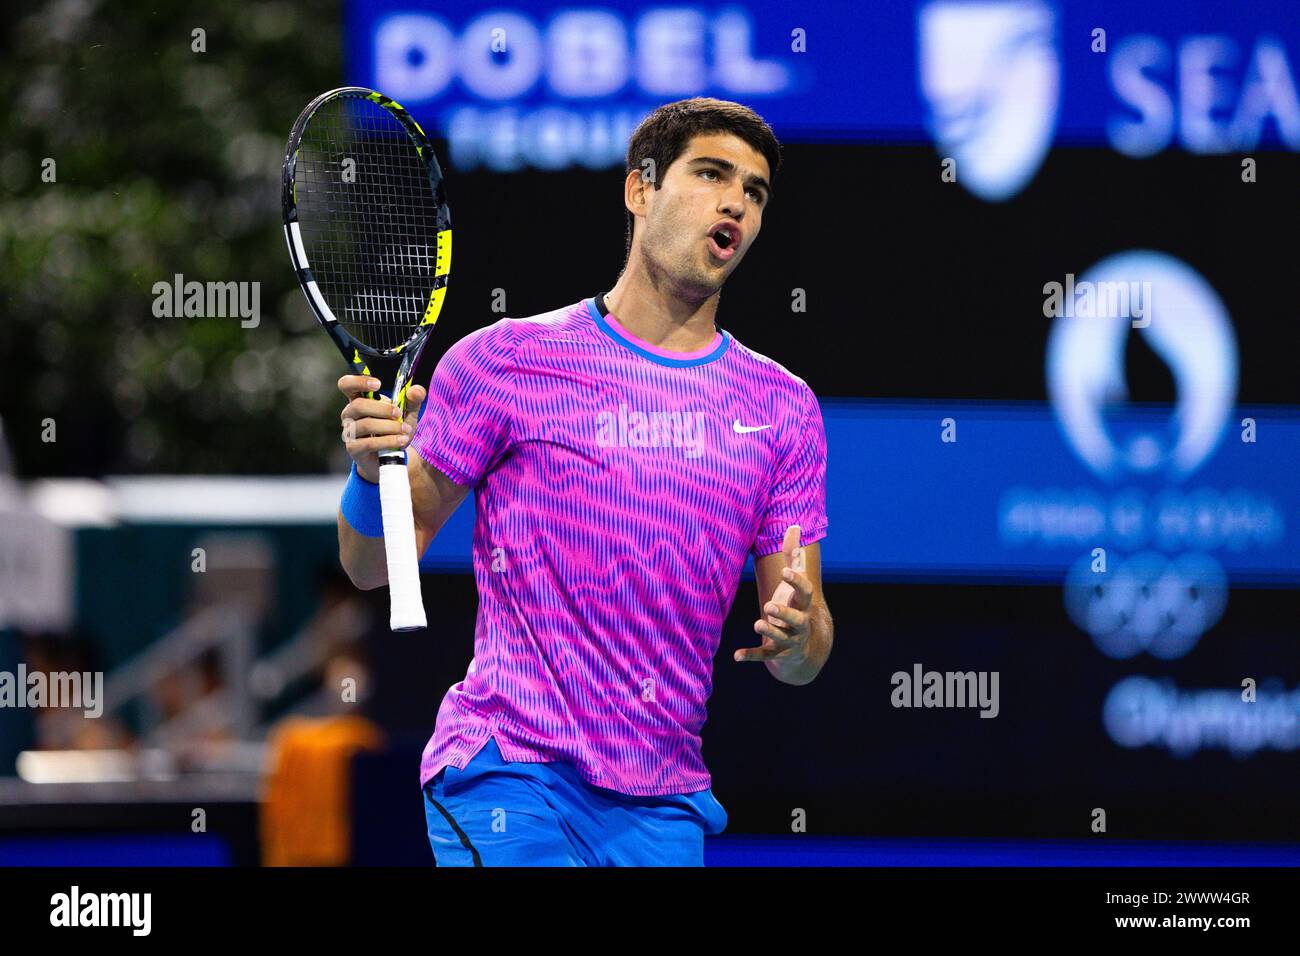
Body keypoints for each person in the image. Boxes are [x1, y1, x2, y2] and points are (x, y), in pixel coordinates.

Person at [336, 97, 832, 866]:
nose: (736, 200)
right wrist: (372, 479)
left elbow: (806, 652)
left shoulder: (782, 408)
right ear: (641, 189)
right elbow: (373, 568)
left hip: (662, 801)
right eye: (710, 174)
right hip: (508, 771)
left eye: (756, 191)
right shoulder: (503, 362)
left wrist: (798, 637)